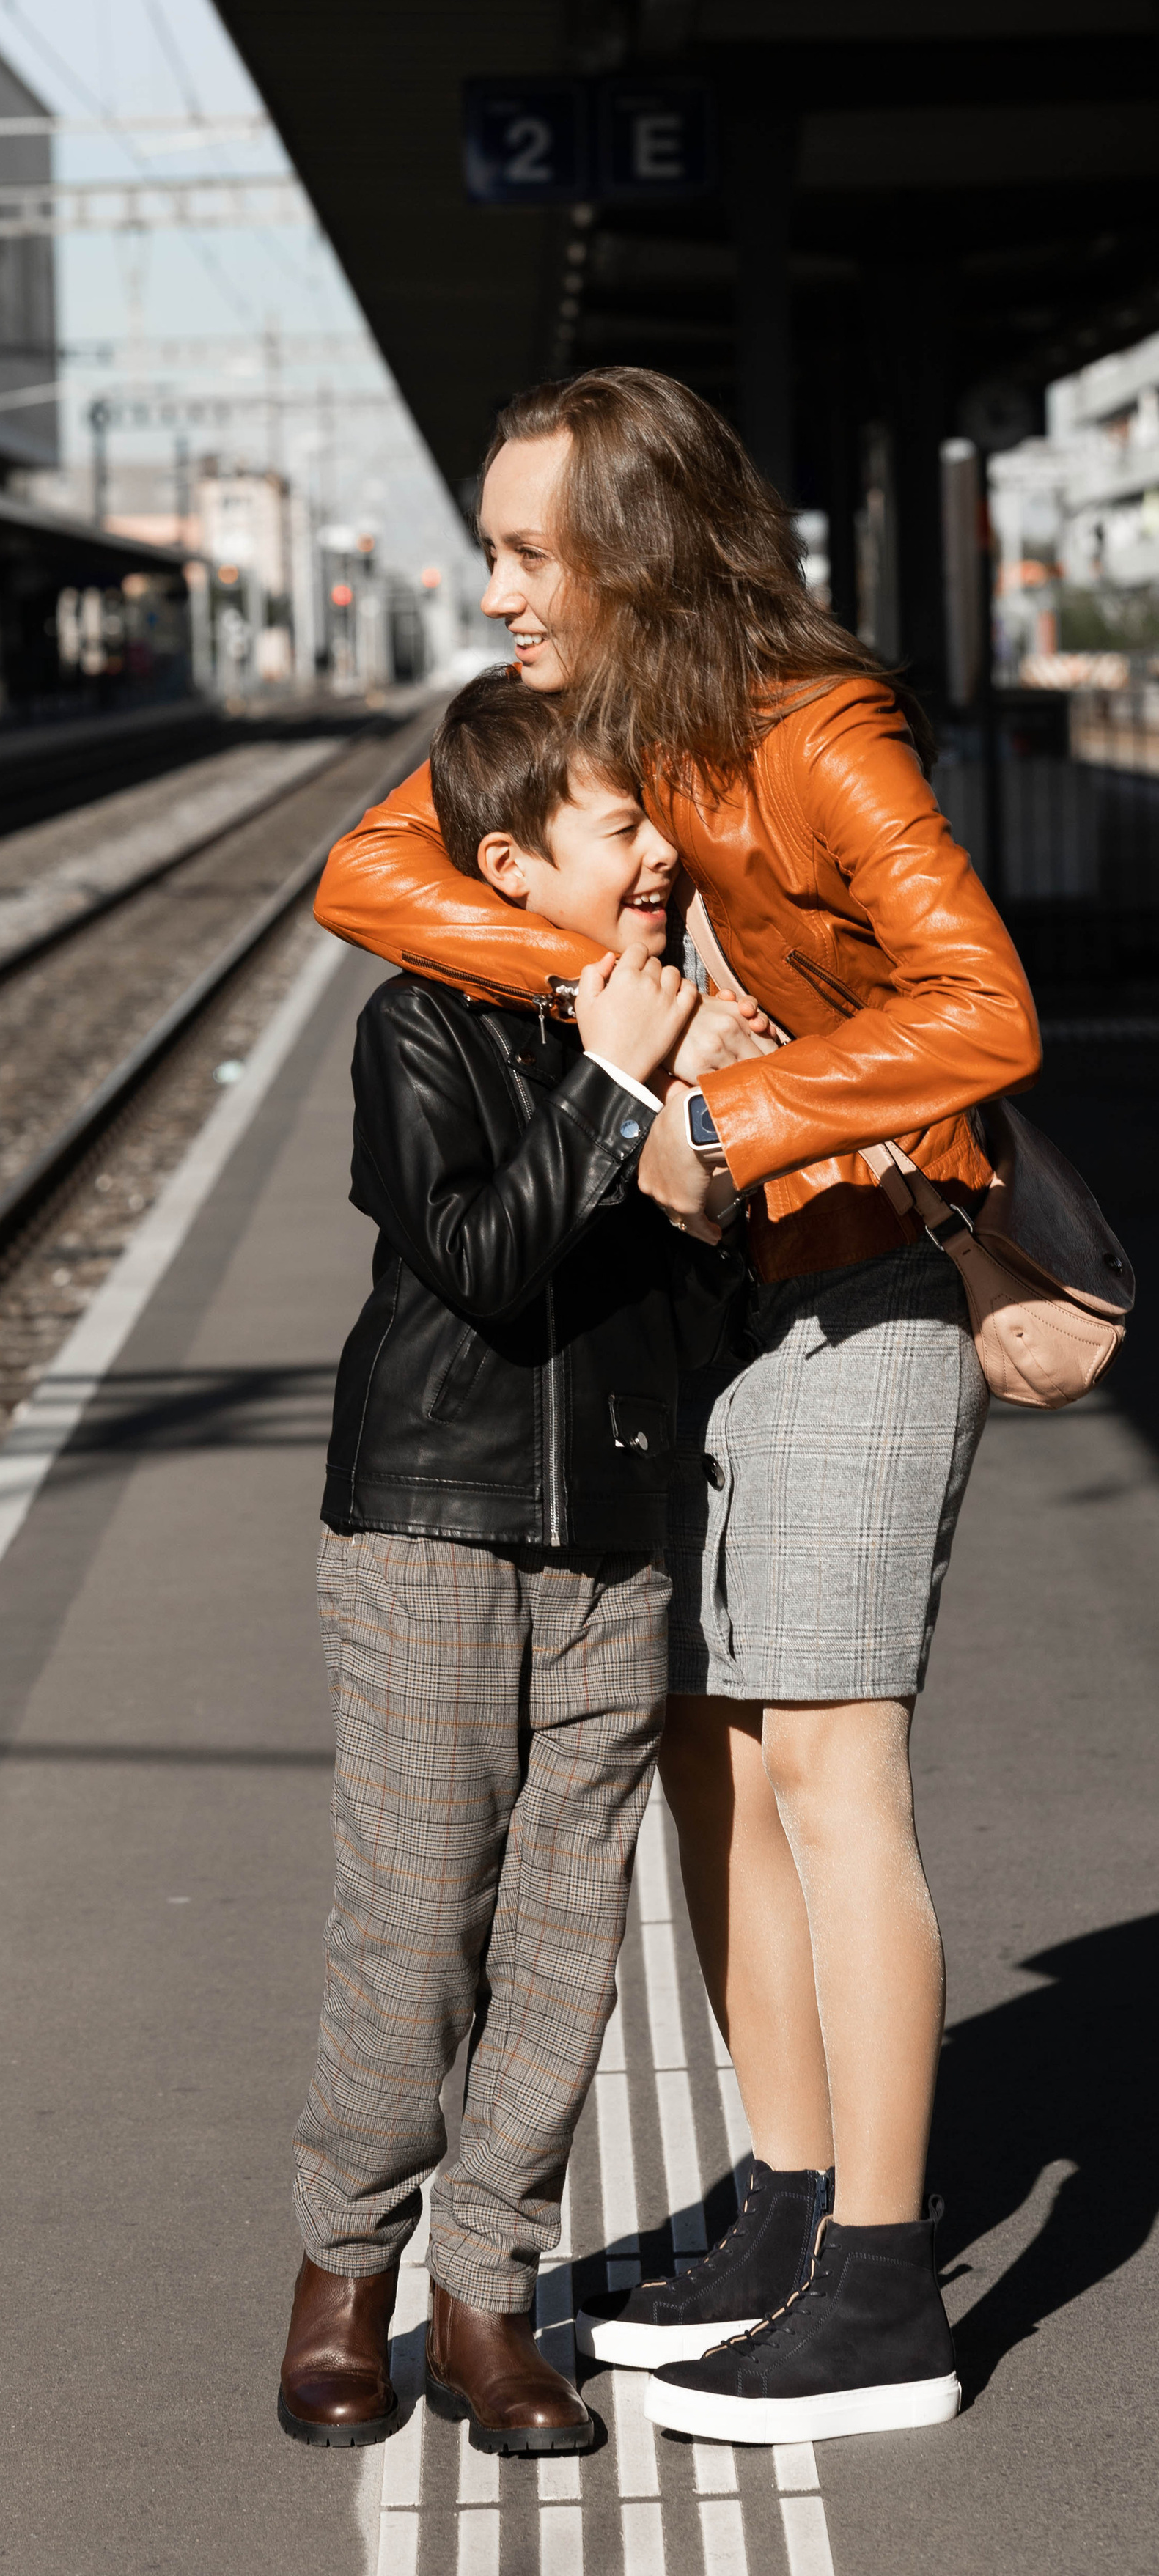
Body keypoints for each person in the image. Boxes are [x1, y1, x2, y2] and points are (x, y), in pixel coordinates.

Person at [312, 367, 1039, 2446]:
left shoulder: (815, 733)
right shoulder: (618, 730)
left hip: (859, 1273)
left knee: (828, 1766)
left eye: (527, 552)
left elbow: (980, 1004)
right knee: (721, 1768)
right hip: (727, 1317)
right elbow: (372, 874)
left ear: (633, 548)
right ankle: (788, 2206)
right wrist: (595, 998)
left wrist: (722, 1108)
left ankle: (879, 2289)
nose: (497, 589)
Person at [279, 674, 757, 2457]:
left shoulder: (669, 1021)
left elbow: (692, 1321)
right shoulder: (414, 1028)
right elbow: (479, 1256)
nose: (658, 859)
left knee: (565, 1937)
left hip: (613, 1529)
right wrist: (618, 1084)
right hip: (431, 1515)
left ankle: (487, 2294)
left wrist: (709, 1166)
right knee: (417, 1923)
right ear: (508, 864)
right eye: (621, 828)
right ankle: (344, 2278)